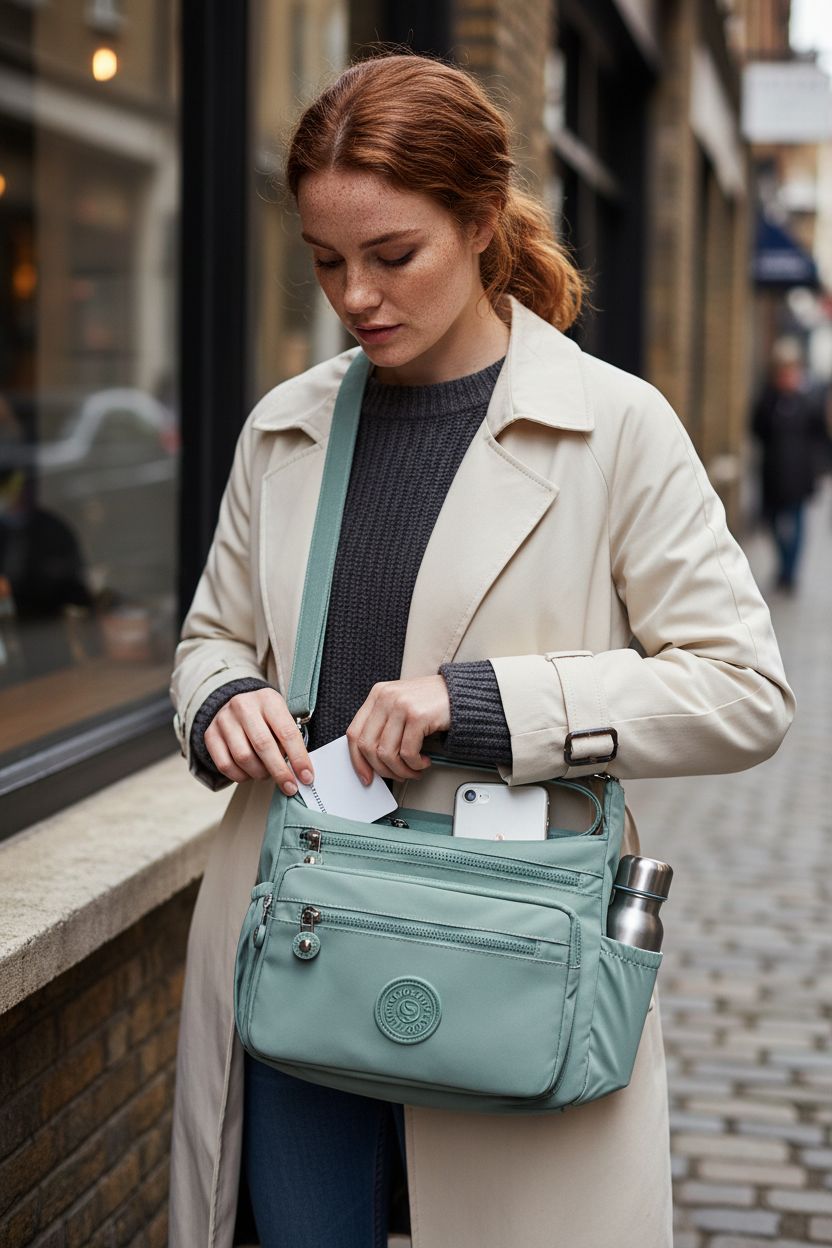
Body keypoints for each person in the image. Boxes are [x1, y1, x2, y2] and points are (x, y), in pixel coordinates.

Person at [167, 51, 795, 1248]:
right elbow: (207, 637)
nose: (355, 294)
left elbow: (744, 691)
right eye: (325, 261)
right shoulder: (284, 427)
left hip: (511, 950)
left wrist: (489, 705)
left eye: (392, 255)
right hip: (297, 929)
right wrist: (221, 702)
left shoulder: (615, 428)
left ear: (477, 220)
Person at [751, 336, 829, 594]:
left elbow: (819, 435)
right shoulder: (768, 400)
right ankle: (784, 563)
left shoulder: (807, 402)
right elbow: (757, 429)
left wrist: (816, 468)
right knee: (772, 522)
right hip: (773, 474)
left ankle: (789, 572)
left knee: (796, 524)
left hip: (798, 475)